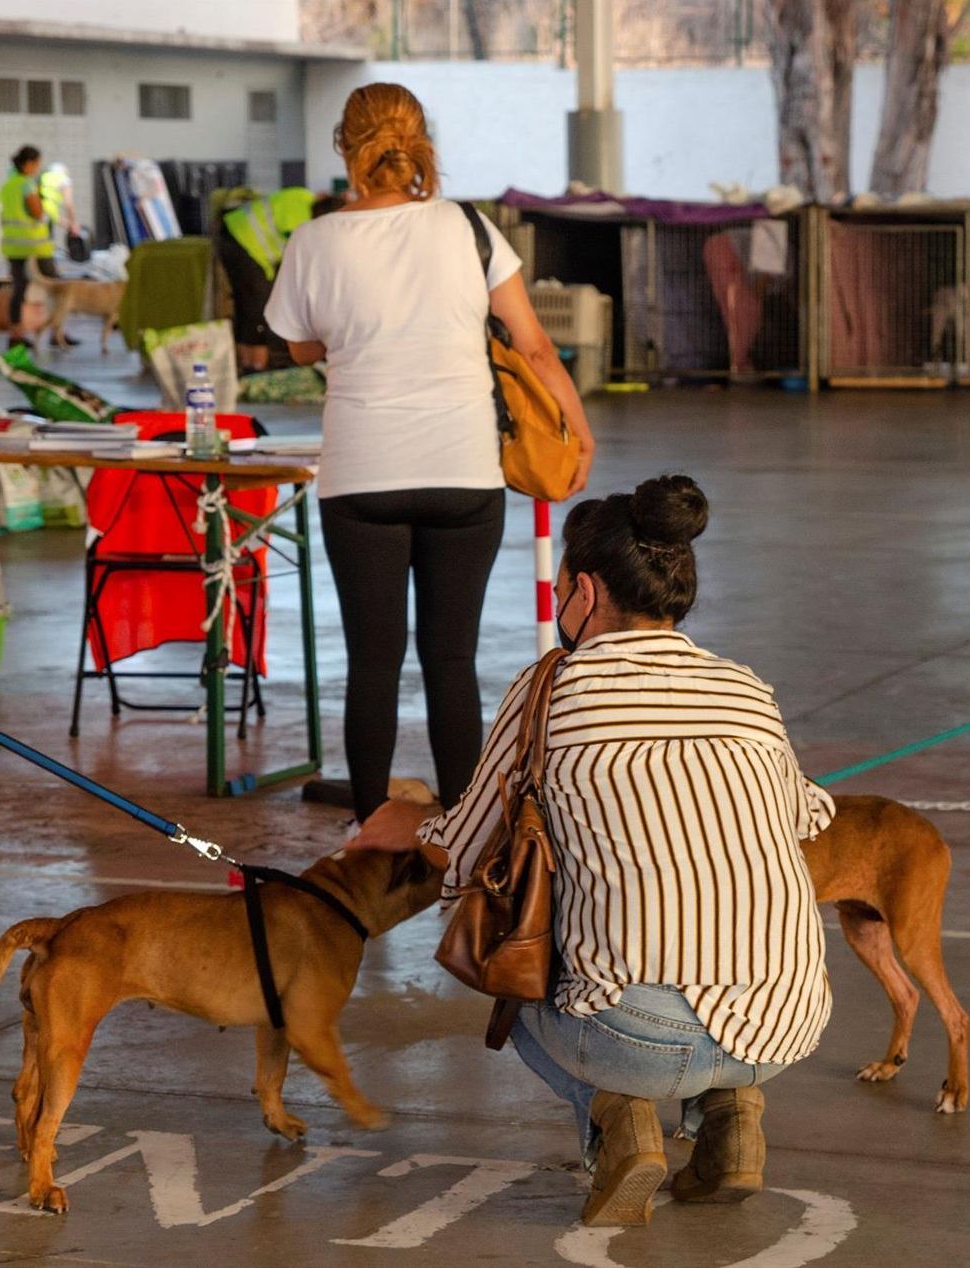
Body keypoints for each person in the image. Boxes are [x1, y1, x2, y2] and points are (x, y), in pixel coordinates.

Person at [351, 475, 832, 1228]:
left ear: (580, 590)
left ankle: (618, 1122)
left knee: (510, 976)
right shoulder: (745, 688)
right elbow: (807, 817)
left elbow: (468, 846)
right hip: (787, 1020)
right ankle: (730, 1117)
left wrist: (403, 823)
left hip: (639, 1037)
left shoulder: (555, 687)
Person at [264, 82, 596, 825]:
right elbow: (533, 347)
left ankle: (371, 840)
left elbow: (298, 342)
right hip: (462, 472)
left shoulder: (315, 240)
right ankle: (469, 833)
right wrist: (579, 430)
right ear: (422, 143)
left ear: (344, 150)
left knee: (373, 667)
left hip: (361, 477)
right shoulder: (469, 229)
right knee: (452, 664)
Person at [220, 186, 342, 372]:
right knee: (257, 306)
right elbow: (302, 265)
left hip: (234, 231)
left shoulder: (302, 196)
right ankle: (255, 369)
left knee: (250, 306)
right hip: (241, 240)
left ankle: (249, 365)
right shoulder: (304, 225)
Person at [0, 146, 54, 349]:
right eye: (37, 163)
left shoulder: (7, 186)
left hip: (13, 247)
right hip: (35, 247)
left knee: (18, 291)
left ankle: (15, 335)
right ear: (29, 163)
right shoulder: (27, 185)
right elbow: (37, 213)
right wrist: (47, 214)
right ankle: (57, 332)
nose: (38, 168)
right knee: (56, 288)